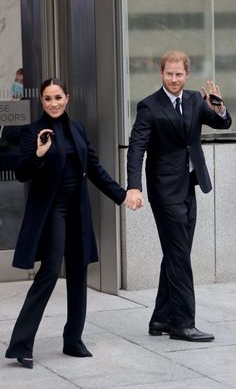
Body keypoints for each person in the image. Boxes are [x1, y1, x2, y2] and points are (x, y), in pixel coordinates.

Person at [5, 78, 127, 369]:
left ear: (67, 98)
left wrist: (122, 196)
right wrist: (38, 154)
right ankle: (21, 345)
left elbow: (95, 169)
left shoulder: (77, 129)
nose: (53, 103)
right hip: (52, 211)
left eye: (57, 97)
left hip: (78, 210)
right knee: (49, 272)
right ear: (42, 102)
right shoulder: (33, 132)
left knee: (78, 271)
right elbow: (21, 172)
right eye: (47, 99)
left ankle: (73, 340)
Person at [125, 50, 232, 342]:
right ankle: (183, 324)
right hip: (163, 191)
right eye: (169, 74)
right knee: (179, 257)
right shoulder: (148, 106)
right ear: (162, 73)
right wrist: (133, 186)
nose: (174, 79)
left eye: (179, 74)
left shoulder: (196, 100)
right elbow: (136, 148)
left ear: (187, 75)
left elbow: (223, 124)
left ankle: (160, 319)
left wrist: (220, 107)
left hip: (189, 186)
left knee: (176, 253)